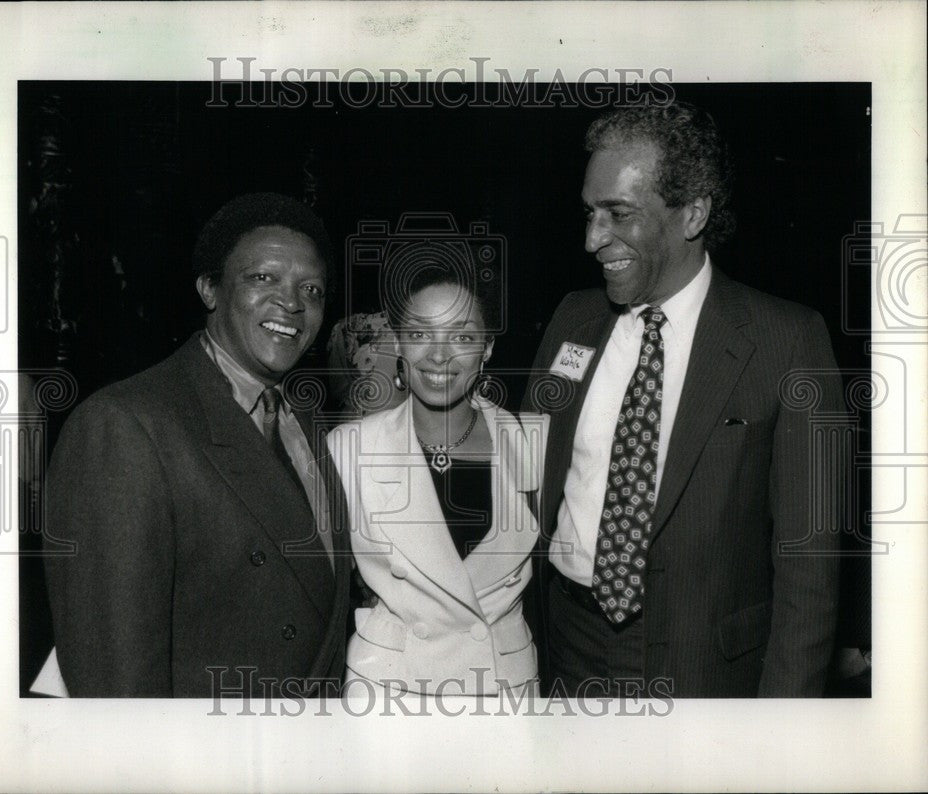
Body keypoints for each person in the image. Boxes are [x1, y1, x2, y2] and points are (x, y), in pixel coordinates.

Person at [523, 102, 844, 698]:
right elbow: (525, 480)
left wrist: (786, 734)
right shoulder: (573, 319)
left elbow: (810, 574)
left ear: (692, 214)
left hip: (705, 669)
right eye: (590, 213)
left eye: (619, 214)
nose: (593, 239)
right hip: (565, 645)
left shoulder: (787, 341)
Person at [43, 193, 351, 697]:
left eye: (311, 289)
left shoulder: (308, 425)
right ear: (209, 288)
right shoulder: (124, 426)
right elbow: (116, 693)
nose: (291, 303)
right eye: (263, 278)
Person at [327, 262, 546, 697]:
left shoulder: (533, 441)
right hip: (389, 693)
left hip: (504, 693)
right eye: (420, 334)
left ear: (486, 349)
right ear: (400, 346)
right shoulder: (349, 448)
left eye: (463, 337)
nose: (439, 355)